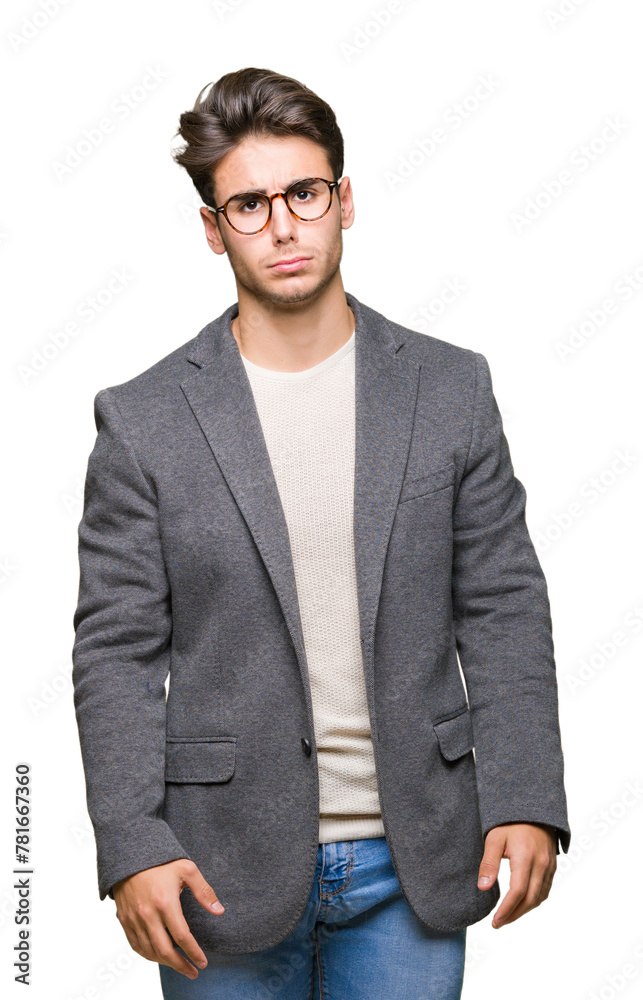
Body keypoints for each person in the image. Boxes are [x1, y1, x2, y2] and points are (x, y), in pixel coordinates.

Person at [71, 67, 572, 1000]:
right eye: (249, 204)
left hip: (413, 858)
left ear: (343, 201)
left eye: (303, 193)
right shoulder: (144, 422)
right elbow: (116, 653)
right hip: (218, 869)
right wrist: (132, 842)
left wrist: (527, 793)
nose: (283, 224)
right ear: (213, 231)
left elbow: (501, 603)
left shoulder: (448, 390)